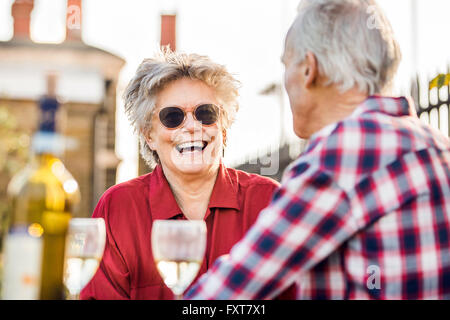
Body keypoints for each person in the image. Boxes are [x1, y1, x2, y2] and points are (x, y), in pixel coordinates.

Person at [185, 0, 450, 300]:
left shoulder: (343, 155)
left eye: (286, 65)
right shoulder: (437, 146)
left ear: (309, 69)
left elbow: (229, 292)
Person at [80, 48, 296, 299]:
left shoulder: (269, 202)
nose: (193, 126)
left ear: (223, 129)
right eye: (173, 117)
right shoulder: (118, 208)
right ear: (149, 136)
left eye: (206, 113)